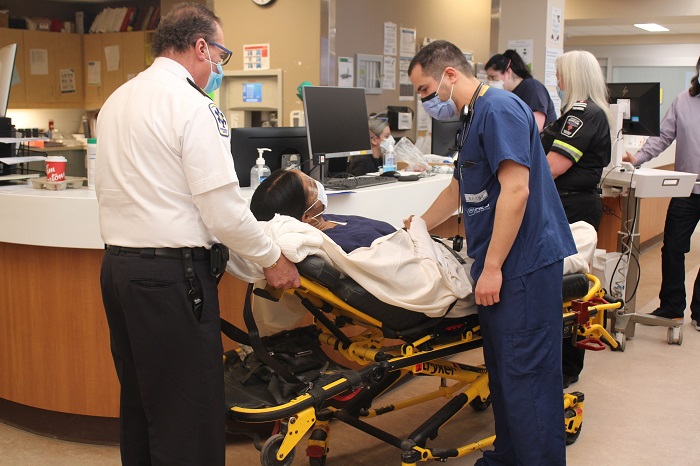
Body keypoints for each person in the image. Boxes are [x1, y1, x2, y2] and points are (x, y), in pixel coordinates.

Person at [95, 4, 299, 465]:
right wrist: (271, 257)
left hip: (118, 272)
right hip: (171, 280)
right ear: (201, 46)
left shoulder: (116, 100)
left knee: (143, 402)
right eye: (221, 56)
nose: (219, 69)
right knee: (189, 413)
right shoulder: (193, 105)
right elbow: (224, 212)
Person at [407, 40, 576, 466]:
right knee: (503, 373)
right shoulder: (474, 115)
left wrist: (494, 266)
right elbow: (458, 187)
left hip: (524, 262)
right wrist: (420, 224)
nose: (424, 100)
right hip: (501, 260)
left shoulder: (498, 109)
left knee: (528, 376)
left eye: (424, 89)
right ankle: (507, 456)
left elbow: (516, 190)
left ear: (449, 75)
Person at [541, 50, 613, 388]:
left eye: (560, 74)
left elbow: (553, 166)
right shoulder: (570, 114)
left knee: (568, 292)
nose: (557, 81)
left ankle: (567, 369)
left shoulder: (585, 114)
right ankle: (555, 363)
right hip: (563, 206)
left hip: (574, 209)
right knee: (558, 290)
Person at [623, 56, 700, 329]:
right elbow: (663, 136)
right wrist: (638, 158)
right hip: (688, 188)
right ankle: (671, 308)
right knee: (673, 248)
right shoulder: (683, 101)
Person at [485, 49, 557, 131]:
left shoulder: (532, 88)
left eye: (493, 76)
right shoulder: (509, 95)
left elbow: (535, 128)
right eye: (489, 78)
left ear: (508, 72)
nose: (490, 82)